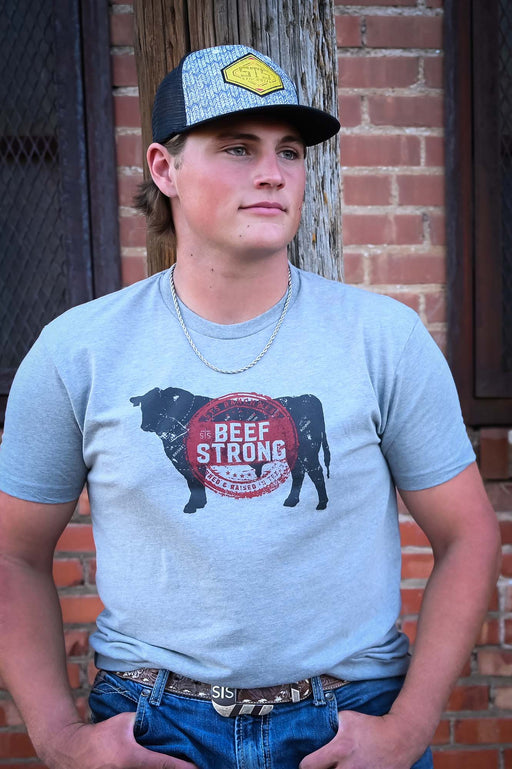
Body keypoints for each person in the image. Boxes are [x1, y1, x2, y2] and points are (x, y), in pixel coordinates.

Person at [0, 44, 501, 769]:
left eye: (289, 151)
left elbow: (469, 535)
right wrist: (59, 742)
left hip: (350, 719)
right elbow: (13, 553)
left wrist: (409, 728)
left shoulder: (382, 338)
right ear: (164, 169)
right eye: (238, 148)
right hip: (153, 729)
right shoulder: (78, 350)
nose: (273, 172)